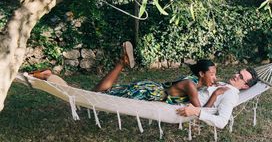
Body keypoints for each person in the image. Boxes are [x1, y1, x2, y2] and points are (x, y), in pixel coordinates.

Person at [31, 42, 218, 107]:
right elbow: (200, 110)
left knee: (96, 92)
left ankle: (49, 75)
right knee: (95, 96)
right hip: (149, 92)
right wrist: (216, 94)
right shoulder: (191, 85)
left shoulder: (195, 82)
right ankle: (48, 77)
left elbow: (204, 88)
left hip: (149, 88)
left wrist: (215, 85)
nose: (214, 78)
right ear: (201, 73)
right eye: (212, 74)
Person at [176, 67, 259, 129]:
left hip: (181, 106)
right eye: (238, 73)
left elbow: (222, 122)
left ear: (245, 86)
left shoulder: (231, 94)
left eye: (241, 77)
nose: (236, 75)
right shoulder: (223, 84)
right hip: (182, 96)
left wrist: (196, 111)